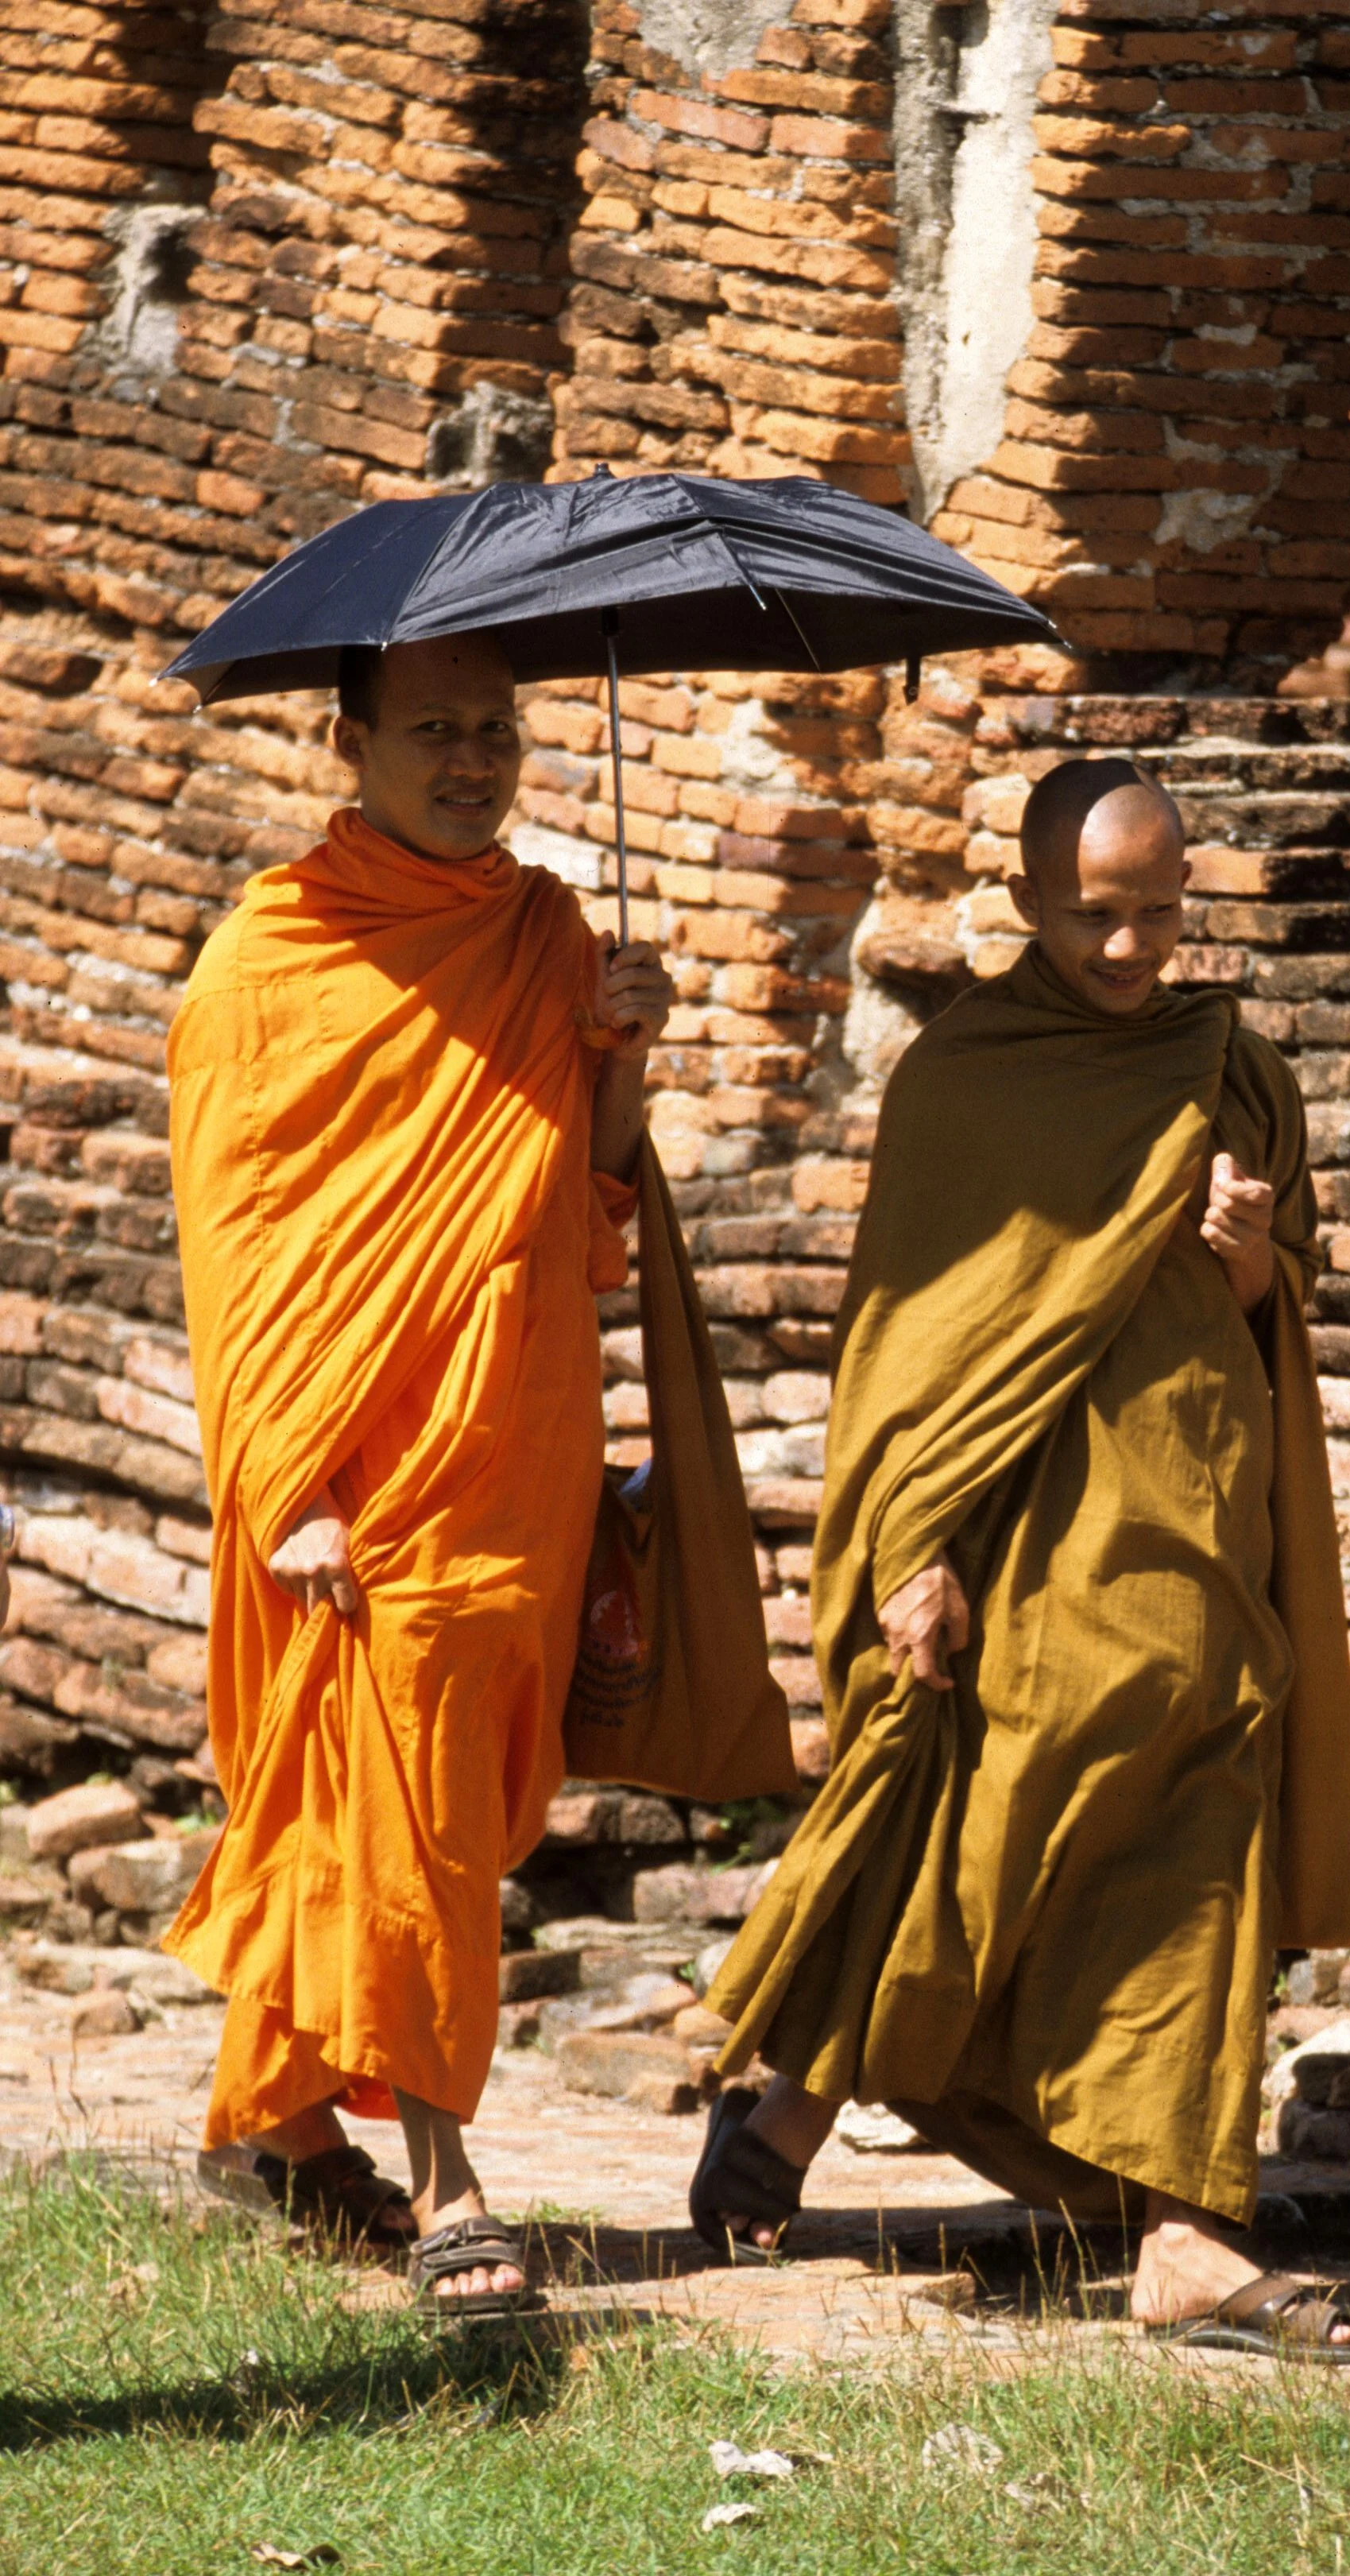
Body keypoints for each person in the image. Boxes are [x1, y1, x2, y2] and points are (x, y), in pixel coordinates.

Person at [693, 756, 1350, 2358]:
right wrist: (905, 1552)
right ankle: (792, 2112)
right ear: (1019, 904)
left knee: (1196, 1837)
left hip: (1197, 1525)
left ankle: (1186, 2243)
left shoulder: (1235, 1068)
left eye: (1156, 915)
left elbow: (1285, 1301)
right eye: (1094, 918)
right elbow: (913, 1351)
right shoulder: (965, 1077)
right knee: (978, 1827)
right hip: (1018, 1540)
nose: (1130, 950)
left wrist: (1254, 1260)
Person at [165, 631, 673, 2315]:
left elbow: (592, 1205)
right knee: (409, 1805)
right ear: (349, 741)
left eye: (501, 732)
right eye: (437, 732)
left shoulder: (546, 934)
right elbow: (238, 1258)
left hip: (515, 1433)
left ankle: (293, 2140)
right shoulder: (266, 963)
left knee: (406, 1798)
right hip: (353, 1472)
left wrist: (625, 1051)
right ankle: (451, 2187)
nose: (476, 761)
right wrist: (287, 1484)